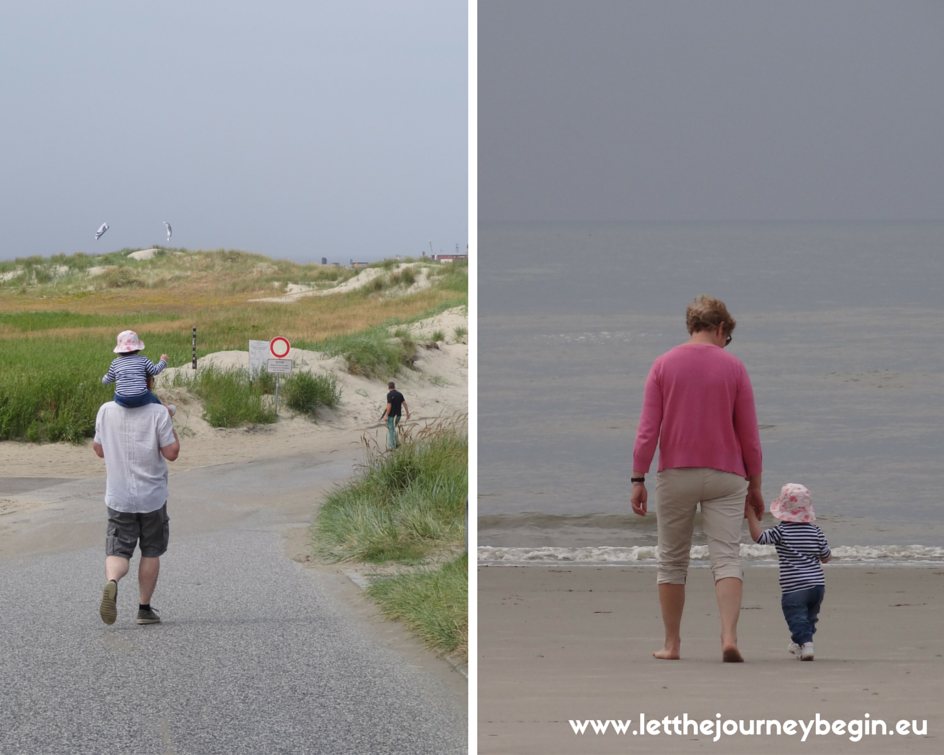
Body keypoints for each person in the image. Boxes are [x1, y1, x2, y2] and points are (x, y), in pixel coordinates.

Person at [631, 295, 764, 662]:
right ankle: (728, 636)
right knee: (727, 558)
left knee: (672, 560)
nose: (726, 344)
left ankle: (672, 644)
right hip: (727, 474)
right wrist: (755, 484)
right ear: (720, 328)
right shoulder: (735, 368)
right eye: (727, 337)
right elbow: (749, 435)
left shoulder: (663, 365)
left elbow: (647, 431)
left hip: (676, 473)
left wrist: (637, 478)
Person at [92, 374, 180, 626]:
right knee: (151, 550)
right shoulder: (157, 412)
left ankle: (112, 583)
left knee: (118, 549)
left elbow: (99, 450)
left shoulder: (106, 410)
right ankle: (144, 609)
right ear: (149, 383)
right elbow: (172, 453)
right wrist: (168, 419)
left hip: (119, 495)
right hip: (152, 496)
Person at [746, 483, 831, 661]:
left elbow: (759, 538)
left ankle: (806, 644)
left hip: (794, 587)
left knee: (795, 616)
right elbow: (826, 556)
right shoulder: (816, 531)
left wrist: (750, 514)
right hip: (817, 586)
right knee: (809, 618)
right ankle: (802, 643)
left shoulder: (781, 531)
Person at [102, 330, 175, 416]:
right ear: (137, 348)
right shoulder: (142, 359)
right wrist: (163, 361)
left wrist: (106, 378)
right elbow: (155, 371)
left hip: (121, 399)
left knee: (118, 393)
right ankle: (166, 411)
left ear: (119, 350)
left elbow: (106, 381)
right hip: (141, 397)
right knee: (156, 402)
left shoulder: (115, 363)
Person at [380, 381, 410, 450]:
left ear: (388, 387)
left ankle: (391, 447)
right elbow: (404, 403)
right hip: (398, 415)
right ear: (394, 387)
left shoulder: (389, 394)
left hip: (391, 416)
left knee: (390, 430)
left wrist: (386, 415)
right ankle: (396, 443)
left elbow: (389, 405)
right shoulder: (399, 394)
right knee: (393, 429)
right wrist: (407, 413)